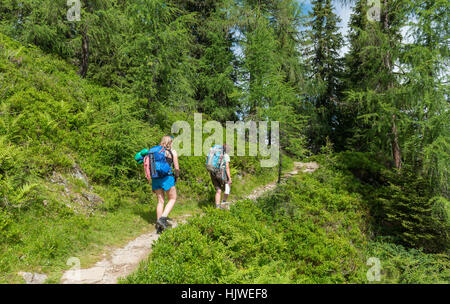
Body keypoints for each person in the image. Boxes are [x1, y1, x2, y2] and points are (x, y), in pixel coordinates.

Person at [152, 136, 179, 233]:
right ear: (170, 142)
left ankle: (159, 227)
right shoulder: (172, 152)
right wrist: (176, 176)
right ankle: (162, 219)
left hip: (155, 178)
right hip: (167, 177)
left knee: (160, 201)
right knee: (172, 198)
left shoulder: (155, 151)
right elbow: (176, 168)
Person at [209, 144, 232, 209]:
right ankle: (223, 203)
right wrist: (229, 178)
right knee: (228, 185)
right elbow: (227, 167)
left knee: (218, 190)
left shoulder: (215, 154)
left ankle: (217, 207)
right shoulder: (226, 155)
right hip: (221, 173)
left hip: (212, 172)